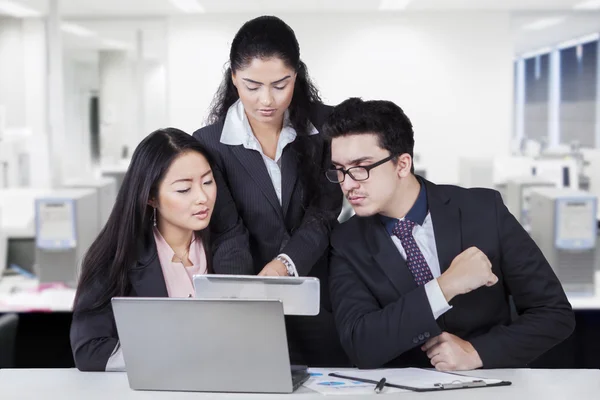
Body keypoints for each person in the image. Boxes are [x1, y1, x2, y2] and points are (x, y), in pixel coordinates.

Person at [323, 97, 576, 371]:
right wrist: (444, 287)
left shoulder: (483, 211)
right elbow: (360, 344)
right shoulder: (346, 241)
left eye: (361, 168)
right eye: (339, 170)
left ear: (402, 164)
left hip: (494, 386)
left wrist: (477, 353)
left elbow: (554, 314)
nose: (347, 184)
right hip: (404, 389)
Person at [193, 15, 348, 366]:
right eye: (251, 86)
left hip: (321, 290)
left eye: (281, 85)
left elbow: (324, 212)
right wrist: (244, 299)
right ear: (233, 78)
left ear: (297, 75)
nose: (267, 100)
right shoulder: (208, 143)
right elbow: (228, 231)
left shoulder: (327, 127)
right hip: (248, 298)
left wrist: (284, 265)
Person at [70, 128, 217, 371]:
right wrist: (175, 354)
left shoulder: (228, 246)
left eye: (208, 182)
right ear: (151, 197)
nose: (202, 197)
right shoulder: (117, 255)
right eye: (184, 189)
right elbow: (89, 348)